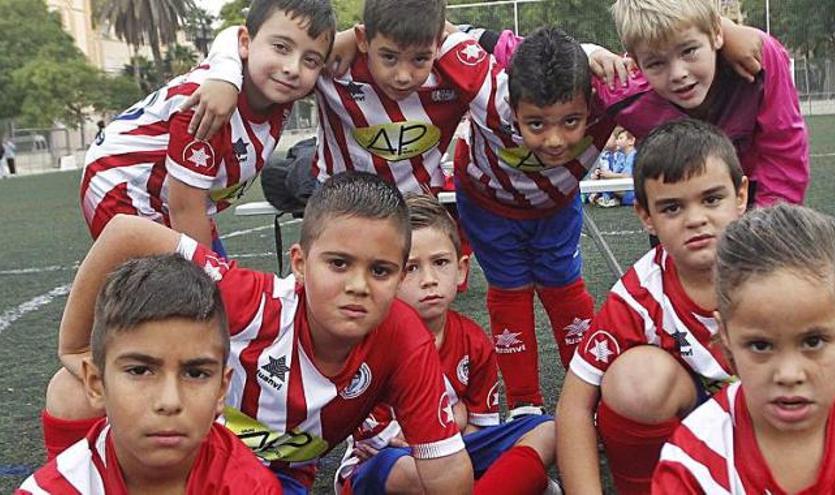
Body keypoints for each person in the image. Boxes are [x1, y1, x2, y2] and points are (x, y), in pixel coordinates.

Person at [45, 171, 473, 493]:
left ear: (400, 277)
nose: (358, 285)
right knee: (71, 387)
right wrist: (75, 345)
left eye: (380, 271)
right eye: (339, 264)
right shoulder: (252, 302)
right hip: (191, 453)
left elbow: (446, 466)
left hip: (276, 478)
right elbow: (126, 232)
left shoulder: (404, 340)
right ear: (300, 264)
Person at [556, 119, 748, 495]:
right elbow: (574, 405)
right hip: (694, 421)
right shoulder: (640, 294)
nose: (696, 219)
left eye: (712, 199)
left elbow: (832, 361)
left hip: (770, 413)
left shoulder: (779, 270)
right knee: (635, 381)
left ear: (740, 196)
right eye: (672, 207)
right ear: (646, 216)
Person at [336, 194, 557, 494]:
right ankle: (512, 483)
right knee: (405, 468)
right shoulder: (367, 343)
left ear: (461, 269)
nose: (429, 279)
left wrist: (457, 434)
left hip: (457, 452)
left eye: (440, 262)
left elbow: (480, 427)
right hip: (387, 461)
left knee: (548, 429)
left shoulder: (474, 341)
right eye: (411, 267)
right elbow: (389, 440)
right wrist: (455, 418)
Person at [79, 0, 335, 257]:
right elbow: (185, 210)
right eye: (281, 47)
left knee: (213, 269)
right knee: (185, 278)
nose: (292, 68)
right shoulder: (205, 106)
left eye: (310, 60)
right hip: (123, 189)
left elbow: (348, 49)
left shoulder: (283, 82)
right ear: (245, 44)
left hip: (178, 198)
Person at [654, 204, 835, 493]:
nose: (789, 374)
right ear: (725, 334)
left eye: (813, 342)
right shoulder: (696, 461)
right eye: (760, 345)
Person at [18, 255, 282, 494]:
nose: (169, 401)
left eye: (196, 374)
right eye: (140, 370)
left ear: (221, 390)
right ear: (96, 384)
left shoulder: (251, 487)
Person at [454, 27, 615, 415]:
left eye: (571, 121)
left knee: (564, 286)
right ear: (512, 106)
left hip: (555, 204)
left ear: (589, 103)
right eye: (537, 124)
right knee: (509, 291)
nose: (555, 141)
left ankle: (590, 396)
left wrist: (592, 49)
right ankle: (524, 403)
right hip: (486, 203)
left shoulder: (611, 92)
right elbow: (442, 31)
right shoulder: (485, 89)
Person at [193, 0, 494, 197]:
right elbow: (244, 37)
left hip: (418, 204)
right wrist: (224, 74)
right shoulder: (333, 66)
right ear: (364, 41)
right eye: (389, 57)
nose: (403, 76)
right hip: (337, 200)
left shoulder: (457, 71)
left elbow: (515, 59)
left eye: (419, 59)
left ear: (439, 44)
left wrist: (449, 32)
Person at [604, 0, 809, 206]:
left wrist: (763, 224)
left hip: (754, 197)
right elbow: (582, 131)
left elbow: (784, 156)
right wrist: (590, 53)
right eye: (656, 63)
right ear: (635, 63)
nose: (678, 74)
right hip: (676, 208)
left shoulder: (757, 59)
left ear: (717, 34)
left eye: (688, 51)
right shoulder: (622, 91)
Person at [595, 127, 636, 207]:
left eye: (621, 138)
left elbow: (628, 176)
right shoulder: (625, 156)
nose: (617, 141)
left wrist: (610, 175)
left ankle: (608, 199)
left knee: (607, 183)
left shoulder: (633, 156)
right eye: (617, 139)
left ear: (631, 141)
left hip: (633, 193)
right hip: (629, 190)